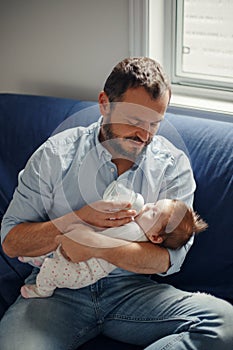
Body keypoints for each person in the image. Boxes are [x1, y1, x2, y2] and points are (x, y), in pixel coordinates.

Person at [0, 57, 233, 349]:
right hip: (57, 290)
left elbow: (170, 260)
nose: (145, 136)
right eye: (135, 122)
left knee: (224, 324)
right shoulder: (55, 156)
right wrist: (74, 221)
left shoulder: (172, 166)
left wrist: (99, 248)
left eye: (155, 124)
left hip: (132, 291)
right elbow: (11, 242)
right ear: (104, 103)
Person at [19, 183, 208, 298]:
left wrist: (83, 230)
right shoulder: (139, 226)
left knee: (53, 270)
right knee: (60, 246)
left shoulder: (134, 233)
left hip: (84, 270)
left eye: (153, 212)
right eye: (153, 204)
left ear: (155, 237)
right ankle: (38, 259)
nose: (148, 206)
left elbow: (98, 239)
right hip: (80, 255)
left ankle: (42, 290)